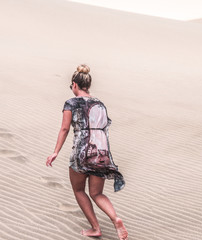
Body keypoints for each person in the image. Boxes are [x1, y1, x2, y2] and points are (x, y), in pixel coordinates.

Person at [46, 64, 128, 240]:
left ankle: (96, 228)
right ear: (88, 85)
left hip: (81, 154)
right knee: (97, 193)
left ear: (74, 84)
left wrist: (55, 152)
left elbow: (64, 129)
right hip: (101, 153)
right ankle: (116, 219)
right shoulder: (100, 104)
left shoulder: (71, 103)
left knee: (78, 190)